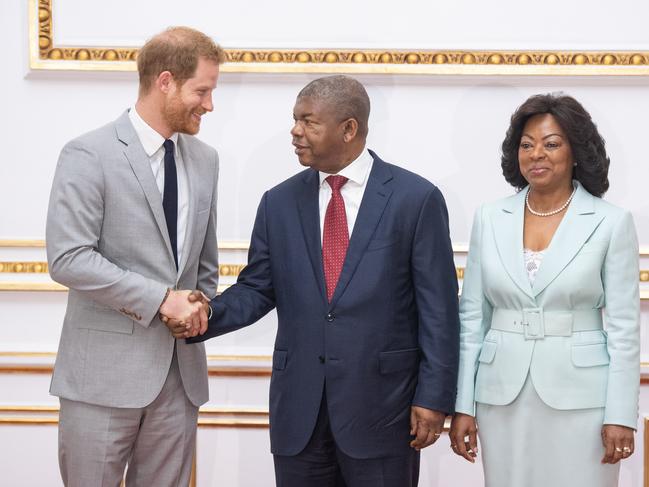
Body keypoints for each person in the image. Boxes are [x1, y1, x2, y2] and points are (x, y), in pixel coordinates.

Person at [182, 75, 460, 486]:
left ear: (348, 128)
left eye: (309, 122)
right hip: (300, 415)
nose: (295, 132)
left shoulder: (415, 199)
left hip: (384, 412)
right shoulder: (278, 202)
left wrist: (434, 398)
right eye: (295, 120)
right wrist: (204, 314)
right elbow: (258, 288)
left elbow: (439, 310)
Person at [45, 26, 224, 486]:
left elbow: (203, 265)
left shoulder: (206, 160)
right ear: (165, 81)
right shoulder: (88, 153)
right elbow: (69, 257)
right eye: (202, 91)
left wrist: (199, 304)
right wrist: (163, 299)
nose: (209, 104)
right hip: (101, 381)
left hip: (180, 380)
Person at [450, 93, 640, 486]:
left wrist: (620, 414)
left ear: (575, 152)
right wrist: (462, 405)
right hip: (500, 394)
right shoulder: (489, 217)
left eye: (551, 144)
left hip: (584, 399)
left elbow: (624, 329)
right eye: (527, 145)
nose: (537, 154)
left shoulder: (610, 222)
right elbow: (472, 319)